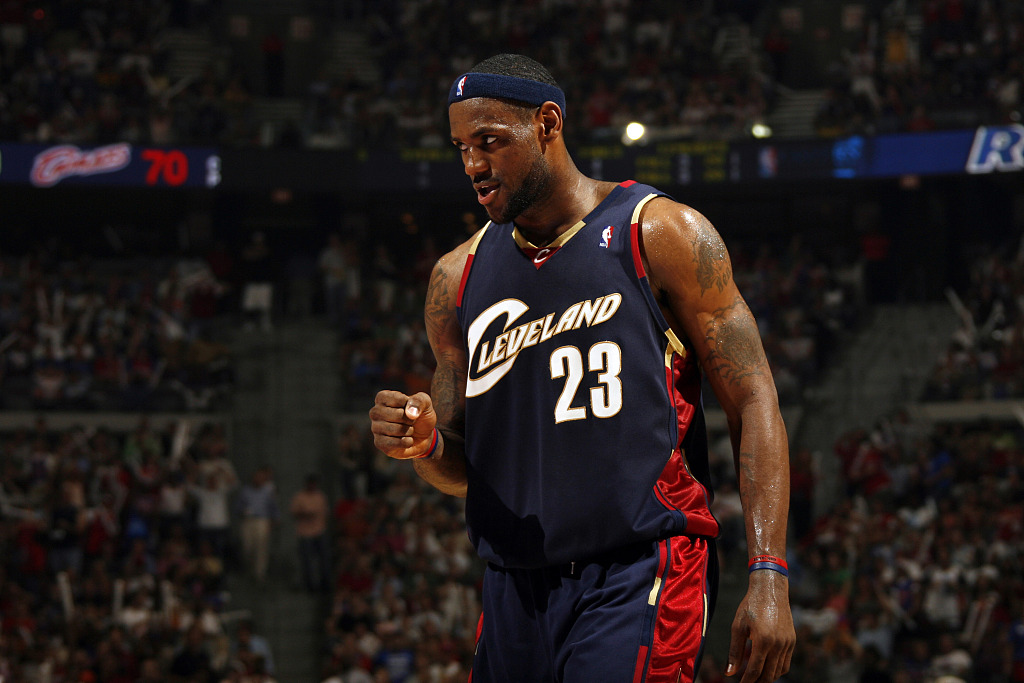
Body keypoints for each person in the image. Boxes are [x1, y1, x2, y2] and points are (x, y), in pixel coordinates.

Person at [369, 54, 795, 683]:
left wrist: (769, 573)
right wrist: (424, 443)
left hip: (642, 565)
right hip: (513, 584)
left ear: (548, 123)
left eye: (489, 141)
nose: (472, 165)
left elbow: (754, 399)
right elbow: (461, 471)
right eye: (461, 147)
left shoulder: (660, 232)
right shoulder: (455, 278)